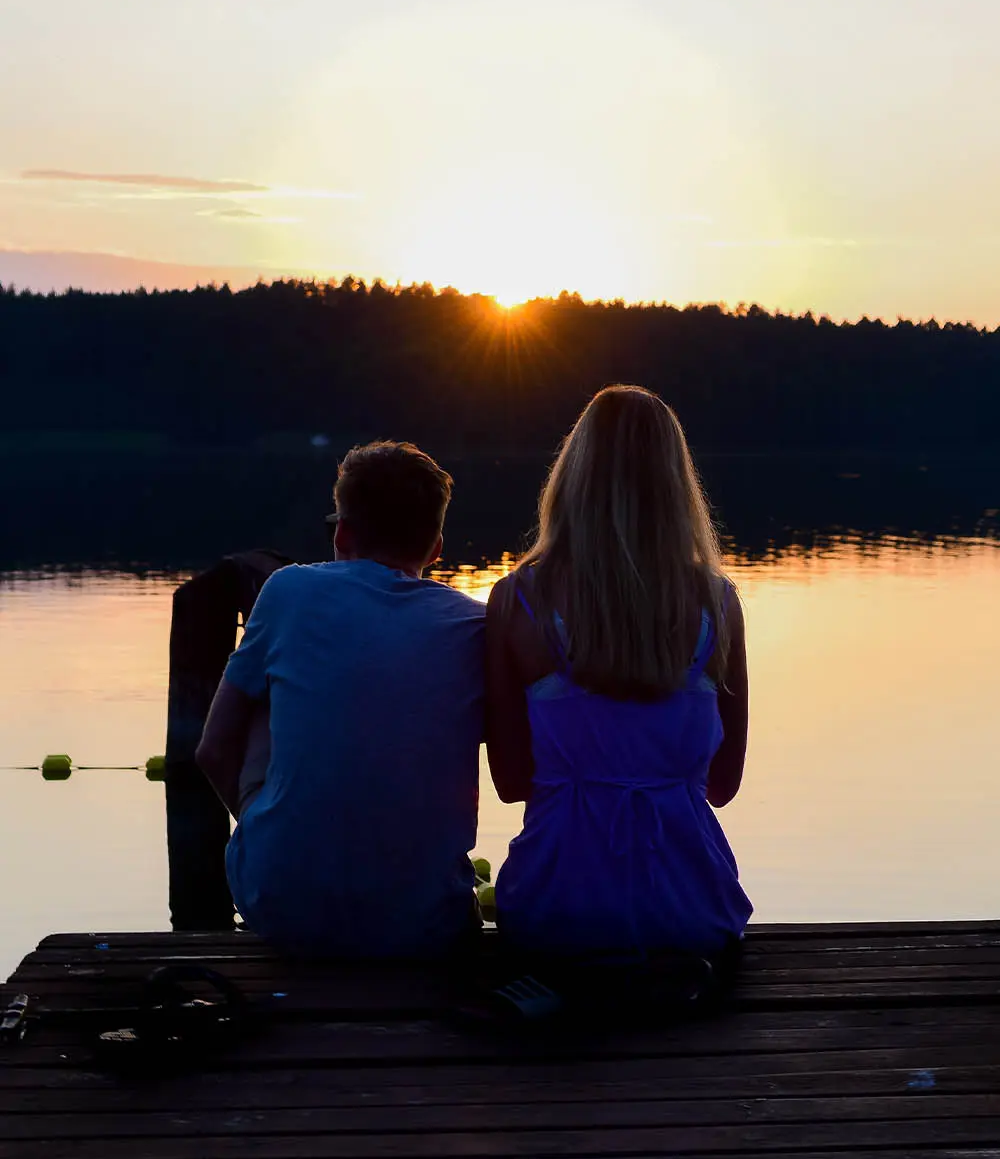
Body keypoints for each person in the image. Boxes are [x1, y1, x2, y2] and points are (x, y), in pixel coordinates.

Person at [485, 386, 751, 963]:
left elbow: (511, 784)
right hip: (692, 915)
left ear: (572, 475)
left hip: (554, 914)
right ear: (676, 485)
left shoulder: (516, 602)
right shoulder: (719, 604)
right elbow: (722, 788)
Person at [196, 441, 486, 957]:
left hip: (282, 904)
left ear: (342, 531)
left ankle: (289, 846)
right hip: (425, 921)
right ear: (437, 548)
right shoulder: (472, 623)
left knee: (267, 694)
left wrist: (264, 821)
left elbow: (213, 750)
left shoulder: (289, 591)